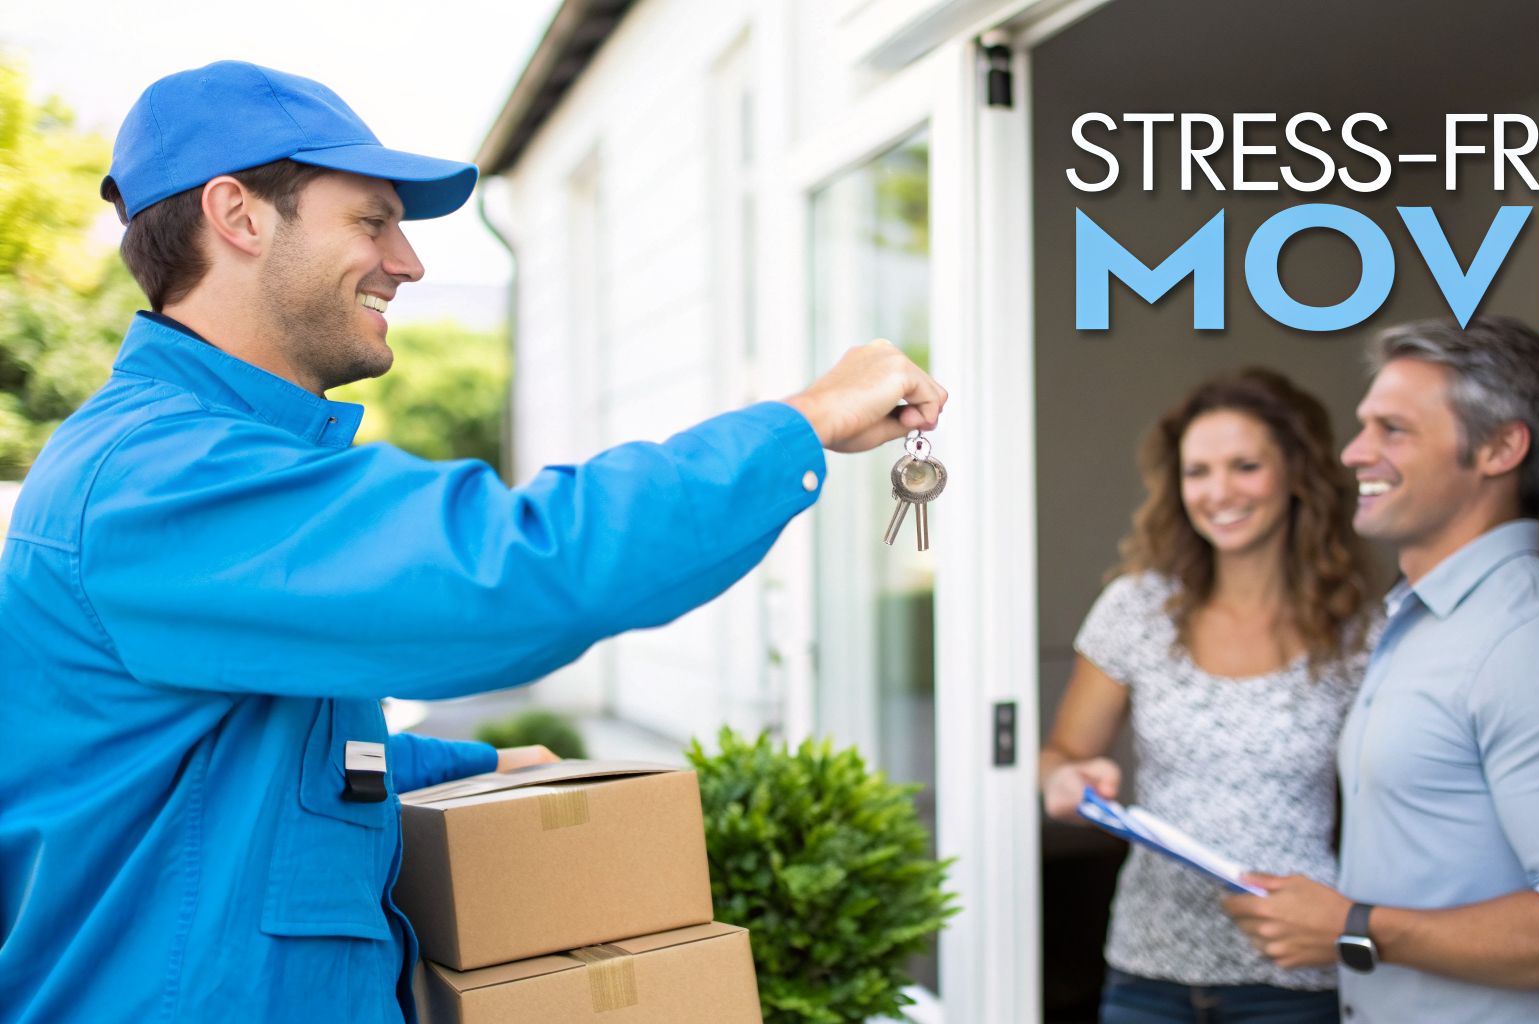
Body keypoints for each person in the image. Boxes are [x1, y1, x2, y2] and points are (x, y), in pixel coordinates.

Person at [0, 62, 945, 1024]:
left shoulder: (193, 462)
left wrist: (476, 769)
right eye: (371, 221)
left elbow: (247, 770)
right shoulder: (164, 477)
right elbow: (516, 568)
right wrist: (801, 421)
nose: (406, 262)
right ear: (237, 215)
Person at [1223, 316, 1539, 1023]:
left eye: (1393, 429)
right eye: (1364, 425)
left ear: (1499, 447)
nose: (1352, 452)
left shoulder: (1536, 645)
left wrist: (1354, 925)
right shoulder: (1417, 622)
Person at [1039, 368, 1373, 1024]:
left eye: (1245, 466)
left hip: (1293, 978)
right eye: (1198, 471)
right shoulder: (1137, 609)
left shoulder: (1357, 632)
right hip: (1148, 970)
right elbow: (1061, 754)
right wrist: (1064, 779)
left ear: (1296, 473)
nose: (1219, 492)